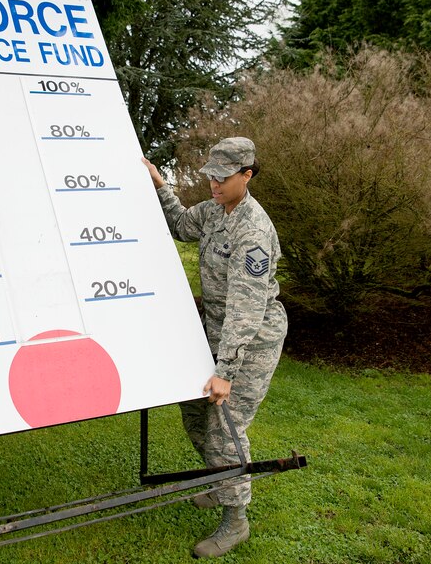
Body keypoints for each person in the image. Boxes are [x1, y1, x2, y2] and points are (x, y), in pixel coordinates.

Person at [142, 137, 287, 558]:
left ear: (247, 175)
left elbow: (247, 305)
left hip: (250, 337)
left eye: (222, 178)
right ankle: (220, 480)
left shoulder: (253, 230)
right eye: (210, 176)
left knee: (225, 424)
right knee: (193, 409)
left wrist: (226, 371)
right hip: (213, 328)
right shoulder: (213, 210)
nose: (213, 184)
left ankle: (235, 518)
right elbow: (183, 224)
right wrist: (159, 185)